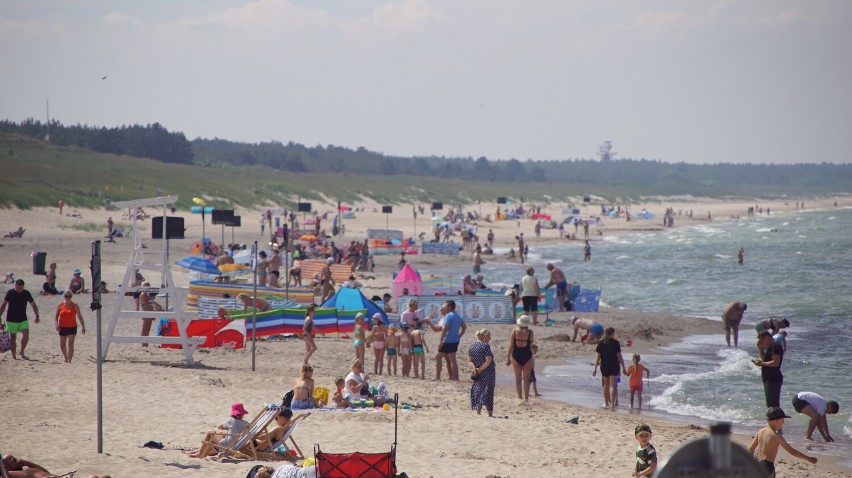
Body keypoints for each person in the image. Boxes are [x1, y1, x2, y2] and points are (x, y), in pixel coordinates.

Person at [749, 407, 817, 477]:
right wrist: (809, 459)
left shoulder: (760, 432)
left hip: (758, 465)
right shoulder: (777, 436)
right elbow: (792, 452)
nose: (783, 422)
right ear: (777, 421)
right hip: (768, 467)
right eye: (783, 419)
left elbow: (751, 450)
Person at [184, 402, 250, 458]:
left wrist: (229, 427)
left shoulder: (231, 420)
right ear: (242, 414)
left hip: (226, 447)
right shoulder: (246, 423)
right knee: (221, 435)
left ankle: (199, 453)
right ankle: (196, 452)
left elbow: (220, 427)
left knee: (210, 432)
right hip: (236, 447)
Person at [0, 279, 40, 360]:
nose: (20, 289)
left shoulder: (26, 293)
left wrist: (37, 316)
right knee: (13, 338)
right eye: (18, 287)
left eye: (21, 287)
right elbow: (3, 305)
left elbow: (33, 305)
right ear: (15, 286)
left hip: (23, 319)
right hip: (11, 319)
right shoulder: (10, 293)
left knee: (26, 334)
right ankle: (14, 356)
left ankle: (22, 351)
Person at [429, 300, 467, 381]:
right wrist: (459, 335)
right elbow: (464, 327)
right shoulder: (457, 316)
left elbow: (445, 329)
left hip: (448, 340)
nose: (444, 308)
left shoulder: (449, 316)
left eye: (445, 306)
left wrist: (441, 341)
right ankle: (455, 377)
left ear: (449, 307)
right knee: (453, 359)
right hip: (455, 340)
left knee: (438, 357)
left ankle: (437, 377)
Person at [593, 327, 627, 408]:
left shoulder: (601, 343)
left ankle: (606, 403)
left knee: (606, 385)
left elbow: (598, 357)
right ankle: (612, 403)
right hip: (614, 365)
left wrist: (595, 369)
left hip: (604, 365)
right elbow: (619, 356)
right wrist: (623, 367)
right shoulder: (616, 343)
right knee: (612, 386)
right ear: (612, 333)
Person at [1, 454, 111, 478]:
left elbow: (46, 471)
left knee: (104, 477)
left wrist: (26, 462)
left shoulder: (30, 470)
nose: (17, 459)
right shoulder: (19, 473)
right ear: (7, 467)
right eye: (13, 460)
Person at [506, 315, 535, 401]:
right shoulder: (530, 332)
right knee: (526, 379)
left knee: (518, 379)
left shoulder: (514, 331)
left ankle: (519, 397)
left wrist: (508, 357)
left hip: (516, 356)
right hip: (527, 356)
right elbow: (531, 345)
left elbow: (511, 345)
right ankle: (526, 398)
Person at [468, 328, 496, 417]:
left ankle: (478, 412)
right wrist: (480, 369)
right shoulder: (485, 346)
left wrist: (474, 369)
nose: (490, 338)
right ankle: (490, 413)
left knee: (479, 391)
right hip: (488, 372)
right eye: (489, 336)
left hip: (477, 373)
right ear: (484, 336)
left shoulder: (472, 346)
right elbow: (488, 360)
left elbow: (469, 361)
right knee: (489, 391)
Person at [753, 330, 784, 408]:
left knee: (773, 403)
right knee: (770, 402)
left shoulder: (775, 346)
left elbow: (775, 363)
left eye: (762, 340)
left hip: (773, 378)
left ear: (767, 338)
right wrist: (760, 349)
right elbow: (765, 360)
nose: (761, 342)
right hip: (769, 378)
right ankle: (774, 419)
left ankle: (776, 419)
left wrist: (761, 364)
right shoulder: (770, 347)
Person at [54, 291, 86, 363]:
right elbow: (56, 317)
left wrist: (83, 326)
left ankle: (70, 360)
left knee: (70, 344)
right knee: (62, 345)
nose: (68, 298)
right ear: (64, 297)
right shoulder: (60, 305)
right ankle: (66, 357)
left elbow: (79, 316)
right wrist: (56, 325)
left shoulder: (75, 305)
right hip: (62, 327)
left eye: (70, 296)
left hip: (72, 327)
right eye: (66, 296)